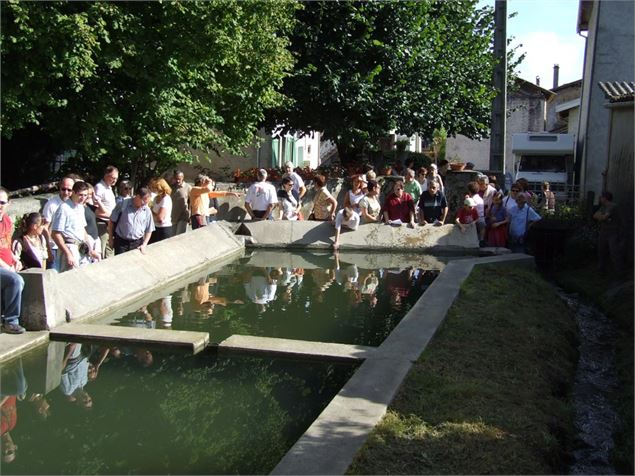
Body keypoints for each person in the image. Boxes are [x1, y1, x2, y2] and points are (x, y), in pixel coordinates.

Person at [51, 181, 101, 272]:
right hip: (70, 246)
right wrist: (68, 253)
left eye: (85, 195)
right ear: (73, 193)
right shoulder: (64, 208)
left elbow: (83, 230)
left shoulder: (81, 207)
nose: (83, 198)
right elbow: (55, 234)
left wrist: (90, 250)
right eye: (80, 195)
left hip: (82, 248)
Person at [0, 187, 26, 334]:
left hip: (6, 265)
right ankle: (11, 321)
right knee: (16, 280)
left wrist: (15, 259)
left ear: (9, 203)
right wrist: (7, 267)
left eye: (2, 202)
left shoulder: (7, 221)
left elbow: (6, 245)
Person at [108, 187, 155, 255]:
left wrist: (144, 244)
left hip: (137, 243)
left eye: (147, 203)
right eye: (143, 202)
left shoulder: (147, 210)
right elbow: (111, 221)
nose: (144, 205)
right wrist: (111, 239)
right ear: (138, 197)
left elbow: (149, 229)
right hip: (121, 243)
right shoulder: (123, 204)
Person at [42, 176, 75, 270]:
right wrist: (49, 248)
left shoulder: (73, 204)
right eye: (63, 189)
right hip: (54, 247)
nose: (66, 192)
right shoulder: (51, 205)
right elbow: (45, 228)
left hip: (68, 245)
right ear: (59, 187)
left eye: (69, 190)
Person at [593, 191, 623, 275]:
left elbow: (604, 217)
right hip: (604, 231)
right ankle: (601, 270)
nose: (600, 199)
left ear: (605, 198)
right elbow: (595, 215)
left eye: (601, 197)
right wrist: (602, 217)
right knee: (601, 251)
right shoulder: (603, 207)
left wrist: (602, 217)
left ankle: (619, 272)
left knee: (614, 252)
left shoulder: (612, 206)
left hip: (613, 232)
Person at [93, 165, 119, 259]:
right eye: (113, 178)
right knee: (102, 249)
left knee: (109, 249)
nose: (115, 181)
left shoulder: (109, 188)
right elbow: (95, 206)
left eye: (116, 178)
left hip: (110, 222)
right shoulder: (100, 187)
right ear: (106, 175)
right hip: (102, 223)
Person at [148, 177, 173, 243]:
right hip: (154, 228)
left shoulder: (166, 199)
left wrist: (152, 212)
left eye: (155, 187)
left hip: (164, 229)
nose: (154, 189)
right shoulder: (156, 198)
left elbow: (160, 218)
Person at [170, 170, 191, 235]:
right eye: (176, 179)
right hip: (173, 216)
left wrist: (190, 214)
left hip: (183, 216)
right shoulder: (171, 187)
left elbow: (192, 201)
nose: (178, 181)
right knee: (172, 237)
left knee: (179, 236)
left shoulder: (188, 187)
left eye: (179, 179)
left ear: (183, 178)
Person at [467, 181, 486, 245]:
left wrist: (467, 199)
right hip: (482, 219)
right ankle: (482, 242)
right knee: (481, 236)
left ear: (469, 191)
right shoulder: (480, 198)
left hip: (475, 220)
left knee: (474, 237)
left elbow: (469, 210)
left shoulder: (472, 199)